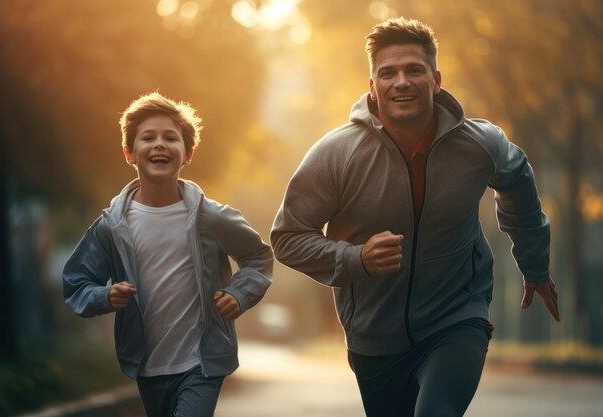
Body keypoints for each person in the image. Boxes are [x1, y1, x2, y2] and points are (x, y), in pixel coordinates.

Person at [271, 17, 560, 417]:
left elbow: (518, 182)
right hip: (373, 337)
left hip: (457, 317)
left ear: (436, 80)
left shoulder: (480, 144)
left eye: (414, 70)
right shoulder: (336, 154)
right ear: (373, 86)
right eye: (388, 73)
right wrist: (355, 259)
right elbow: (287, 237)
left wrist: (535, 265)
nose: (401, 81)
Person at [62, 92, 273, 417]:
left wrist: (239, 294)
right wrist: (106, 296)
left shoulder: (211, 217)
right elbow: (76, 282)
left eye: (170, 138)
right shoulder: (111, 226)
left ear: (187, 153)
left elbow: (258, 257)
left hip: (202, 362)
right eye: (148, 137)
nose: (159, 144)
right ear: (129, 152)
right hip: (147, 364)